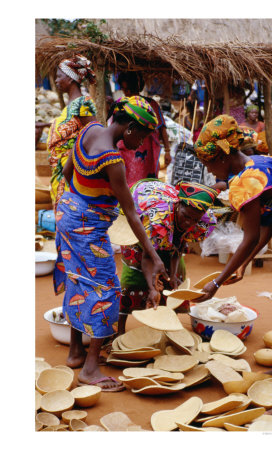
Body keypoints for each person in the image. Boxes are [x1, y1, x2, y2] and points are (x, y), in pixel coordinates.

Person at [53, 96, 168, 391]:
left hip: (67, 215)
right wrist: (153, 255)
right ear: (129, 128)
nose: (141, 143)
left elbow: (67, 174)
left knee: (77, 279)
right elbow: (131, 213)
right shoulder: (112, 160)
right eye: (141, 136)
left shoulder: (88, 130)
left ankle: (76, 352)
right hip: (87, 229)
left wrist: (82, 202)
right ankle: (90, 369)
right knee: (107, 289)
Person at [194, 115, 272, 418]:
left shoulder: (248, 180)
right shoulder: (256, 163)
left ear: (222, 155)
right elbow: (267, 222)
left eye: (208, 162)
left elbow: (251, 234)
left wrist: (216, 283)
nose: (208, 169)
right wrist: (244, 263)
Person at [118, 179, 219, 335]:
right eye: (186, 216)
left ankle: (168, 326)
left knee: (177, 277)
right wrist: (152, 287)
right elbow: (146, 258)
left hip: (166, 232)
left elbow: (178, 246)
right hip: (140, 224)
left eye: (195, 220)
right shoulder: (157, 217)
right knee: (133, 275)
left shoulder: (200, 222)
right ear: (178, 205)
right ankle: (119, 331)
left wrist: (172, 275)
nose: (189, 222)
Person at [46, 54, 97, 212]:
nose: (56, 81)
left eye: (59, 76)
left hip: (72, 173)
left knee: (72, 217)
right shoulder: (71, 105)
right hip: (60, 172)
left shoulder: (82, 104)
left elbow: (95, 134)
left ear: (69, 78)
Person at [107, 72, 172, 185]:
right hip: (125, 154)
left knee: (144, 185)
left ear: (137, 87)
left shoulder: (150, 106)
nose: (127, 93)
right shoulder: (121, 105)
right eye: (125, 90)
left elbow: (162, 128)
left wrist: (167, 151)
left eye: (130, 90)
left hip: (146, 157)